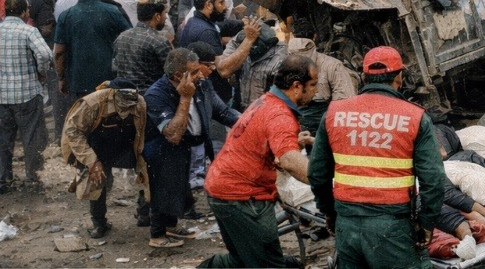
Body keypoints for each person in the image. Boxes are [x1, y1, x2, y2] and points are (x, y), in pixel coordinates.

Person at [308, 46, 445, 269]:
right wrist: (426, 224)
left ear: (363, 76)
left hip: (347, 225)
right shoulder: (414, 116)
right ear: (399, 76)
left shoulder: (334, 113)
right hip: (392, 228)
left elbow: (317, 174)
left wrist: (331, 213)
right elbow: (434, 179)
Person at [198, 55, 319, 268]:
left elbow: (262, 143)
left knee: (242, 260)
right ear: (297, 86)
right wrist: (324, 178)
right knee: (268, 264)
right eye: (313, 85)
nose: (315, 91)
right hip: (242, 197)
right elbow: (290, 161)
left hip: (221, 187)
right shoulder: (280, 115)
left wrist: (294, 144)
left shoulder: (265, 101)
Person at [143, 48, 240, 248]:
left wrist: (247, 122)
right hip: (162, 148)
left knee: (179, 185)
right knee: (163, 187)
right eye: (195, 72)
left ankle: (171, 225)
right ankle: (157, 235)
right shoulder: (155, 94)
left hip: (186, 145)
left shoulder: (202, 85)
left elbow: (222, 111)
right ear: (179, 76)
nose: (201, 75)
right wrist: (185, 98)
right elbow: (173, 134)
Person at [61, 78, 148, 239]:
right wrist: (92, 162)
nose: (126, 110)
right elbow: (73, 132)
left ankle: (144, 213)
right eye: (123, 106)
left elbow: (141, 131)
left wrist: (140, 156)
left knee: (147, 171)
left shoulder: (140, 103)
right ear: (113, 96)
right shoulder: (92, 103)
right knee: (96, 182)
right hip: (95, 145)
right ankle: (99, 223)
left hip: (125, 143)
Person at [54, 0, 131, 141]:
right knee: (108, 125)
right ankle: (105, 163)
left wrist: (61, 78)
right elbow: (128, 38)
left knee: (83, 126)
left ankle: (88, 165)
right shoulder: (112, 11)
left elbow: (59, 52)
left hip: (78, 81)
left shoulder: (66, 16)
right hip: (108, 80)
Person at [0, 0, 52, 194]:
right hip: (27, 93)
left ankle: (3, 180)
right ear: (24, 12)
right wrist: (41, 72)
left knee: (4, 139)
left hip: (2, 95)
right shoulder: (29, 31)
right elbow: (45, 54)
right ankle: (32, 179)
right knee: (31, 138)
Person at [287, 19, 356, 140]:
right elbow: (345, 105)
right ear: (315, 36)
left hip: (298, 130)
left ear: (293, 35)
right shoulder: (333, 65)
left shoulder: (282, 65)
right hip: (324, 129)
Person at [112, 0, 172, 94]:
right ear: (157, 16)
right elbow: (172, 73)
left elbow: (115, 68)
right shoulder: (159, 41)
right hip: (149, 99)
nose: (166, 17)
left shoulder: (121, 37)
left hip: (122, 98)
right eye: (165, 13)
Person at [221, 21, 286, 108]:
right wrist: (247, 39)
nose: (251, 48)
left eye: (255, 44)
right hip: (240, 107)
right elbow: (224, 70)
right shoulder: (241, 44)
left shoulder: (279, 56)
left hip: (264, 111)